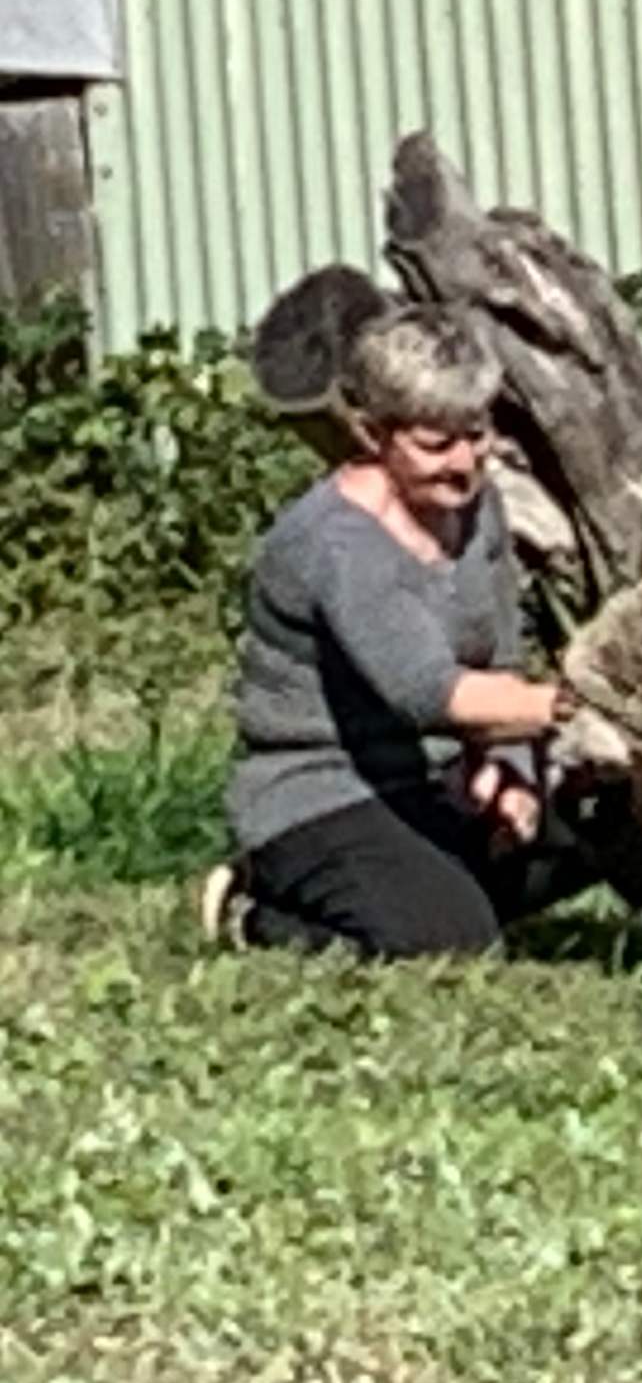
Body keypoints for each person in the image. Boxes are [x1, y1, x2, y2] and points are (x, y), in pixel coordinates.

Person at [203, 306, 598, 958]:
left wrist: (509, 769)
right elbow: (426, 692)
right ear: (370, 433)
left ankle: (423, 887)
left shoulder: (479, 509)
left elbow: (499, 655)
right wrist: (578, 704)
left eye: (476, 433)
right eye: (436, 444)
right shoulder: (336, 545)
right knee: (453, 941)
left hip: (433, 780)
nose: (465, 463)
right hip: (324, 791)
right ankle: (264, 911)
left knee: (617, 818)